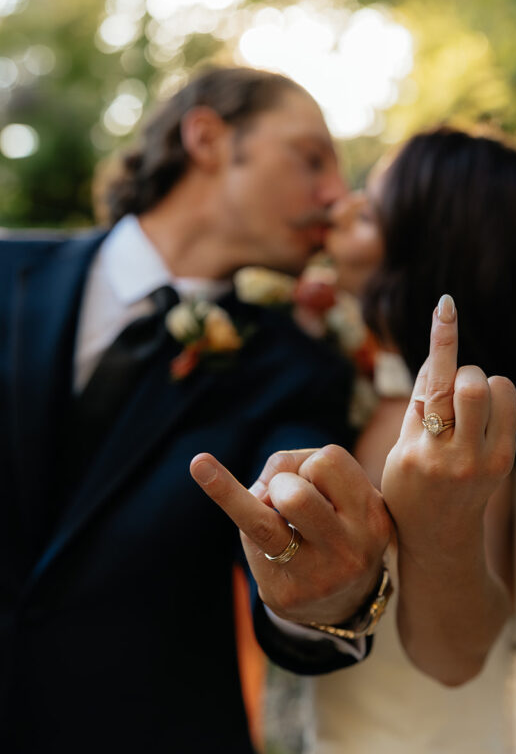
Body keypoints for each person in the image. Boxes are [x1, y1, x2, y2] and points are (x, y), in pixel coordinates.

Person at [0, 65, 392, 754]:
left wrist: (329, 594)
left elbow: (288, 512)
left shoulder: (299, 369)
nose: (336, 195)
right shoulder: (8, 274)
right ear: (207, 137)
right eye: (310, 158)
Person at [299, 126, 516, 754]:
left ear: (423, 257)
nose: (337, 211)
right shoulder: (441, 412)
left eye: (367, 211)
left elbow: (454, 658)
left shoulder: (442, 439)